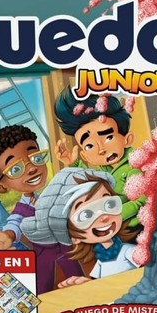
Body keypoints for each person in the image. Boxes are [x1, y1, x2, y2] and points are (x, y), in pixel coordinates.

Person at [0, 124, 82, 293]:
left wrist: (72, 165)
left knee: (79, 280)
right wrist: (8, 235)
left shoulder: (51, 192)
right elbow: (15, 221)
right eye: (16, 169)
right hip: (42, 252)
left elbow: (72, 190)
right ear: (2, 187)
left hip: (66, 246)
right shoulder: (22, 207)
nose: (32, 168)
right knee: (41, 288)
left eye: (36, 158)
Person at [19, 168, 141, 288]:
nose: (104, 217)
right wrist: (86, 285)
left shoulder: (129, 251)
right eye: (86, 215)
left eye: (109, 204)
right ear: (73, 238)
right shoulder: (102, 258)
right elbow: (98, 285)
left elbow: (148, 276)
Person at [53, 88, 145, 226]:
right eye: (90, 146)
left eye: (108, 138)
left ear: (127, 139)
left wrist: (111, 216)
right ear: (85, 156)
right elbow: (89, 182)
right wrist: (73, 163)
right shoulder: (103, 171)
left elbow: (141, 201)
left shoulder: (134, 167)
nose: (101, 149)